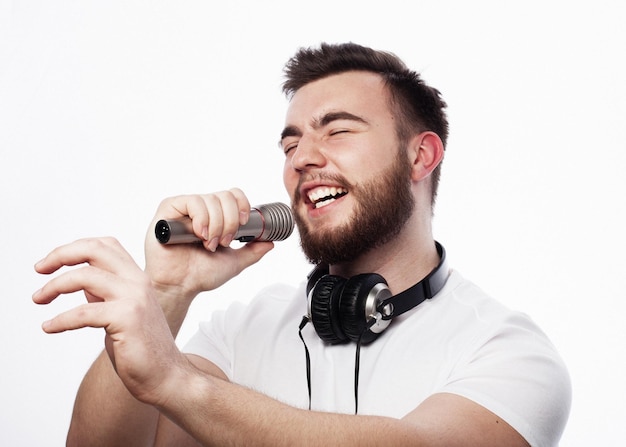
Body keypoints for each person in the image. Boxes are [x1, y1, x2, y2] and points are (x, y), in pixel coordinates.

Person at [33, 42, 571, 446]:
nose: (301, 158)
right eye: (291, 142)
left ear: (420, 156)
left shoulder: (509, 350)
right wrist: (167, 293)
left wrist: (176, 381)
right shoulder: (238, 333)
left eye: (336, 131)